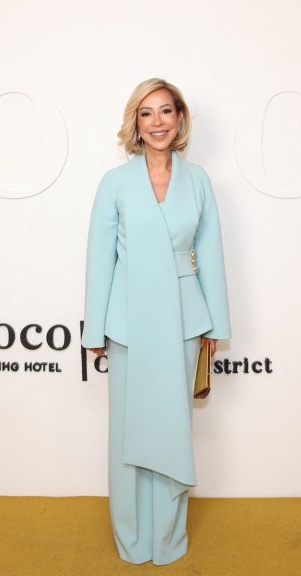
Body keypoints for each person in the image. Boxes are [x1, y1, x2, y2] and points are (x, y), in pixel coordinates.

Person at [81, 78, 231, 565]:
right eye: (147, 113)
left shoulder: (199, 181)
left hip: (184, 321)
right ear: (136, 123)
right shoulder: (114, 183)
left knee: (171, 428)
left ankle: (166, 539)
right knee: (128, 433)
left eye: (166, 111)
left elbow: (210, 253)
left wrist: (215, 326)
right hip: (128, 323)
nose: (158, 122)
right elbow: (100, 259)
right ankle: (131, 539)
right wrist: (94, 329)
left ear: (180, 118)